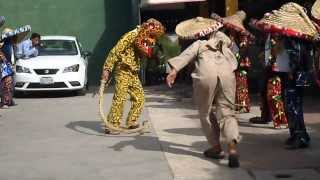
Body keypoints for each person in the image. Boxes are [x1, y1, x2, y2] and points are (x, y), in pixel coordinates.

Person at [166, 17, 241, 168]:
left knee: (205, 112)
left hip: (206, 74)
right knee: (227, 113)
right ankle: (232, 149)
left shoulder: (199, 44)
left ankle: (216, 147)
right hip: (227, 74)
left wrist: (173, 71)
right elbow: (236, 53)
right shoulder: (225, 42)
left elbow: (186, 57)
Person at [250, 2, 318, 148]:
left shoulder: (294, 38)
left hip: (294, 75)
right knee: (290, 105)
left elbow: (297, 57)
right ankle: (296, 134)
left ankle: (300, 137)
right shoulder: (288, 36)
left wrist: (293, 71)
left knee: (293, 106)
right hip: (289, 74)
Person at [101, 18, 165, 134]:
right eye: (152, 34)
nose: (152, 38)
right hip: (123, 70)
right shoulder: (132, 35)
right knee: (120, 97)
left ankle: (131, 122)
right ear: (147, 29)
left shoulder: (143, 39)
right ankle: (112, 124)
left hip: (133, 72)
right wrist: (107, 68)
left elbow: (143, 51)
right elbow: (115, 51)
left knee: (139, 97)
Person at [212, 11, 254, 113]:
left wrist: (236, 60)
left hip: (241, 62)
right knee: (232, 84)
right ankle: (235, 104)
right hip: (232, 62)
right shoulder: (230, 33)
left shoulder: (242, 34)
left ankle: (243, 105)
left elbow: (243, 49)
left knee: (241, 83)